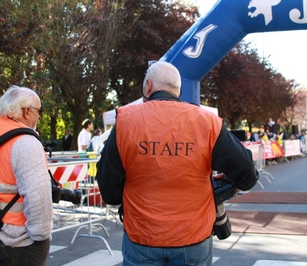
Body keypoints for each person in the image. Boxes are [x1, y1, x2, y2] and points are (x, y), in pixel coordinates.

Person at [96, 61, 258, 266]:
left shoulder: (125, 121)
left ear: (147, 86)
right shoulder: (206, 122)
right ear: (178, 90)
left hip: (142, 236)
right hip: (193, 237)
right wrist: (226, 183)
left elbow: (109, 191)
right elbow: (248, 175)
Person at [0, 85, 53, 265]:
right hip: (18, 241)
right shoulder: (25, 142)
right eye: (39, 111)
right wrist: (41, 236)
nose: (39, 116)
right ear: (26, 112)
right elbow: (38, 197)